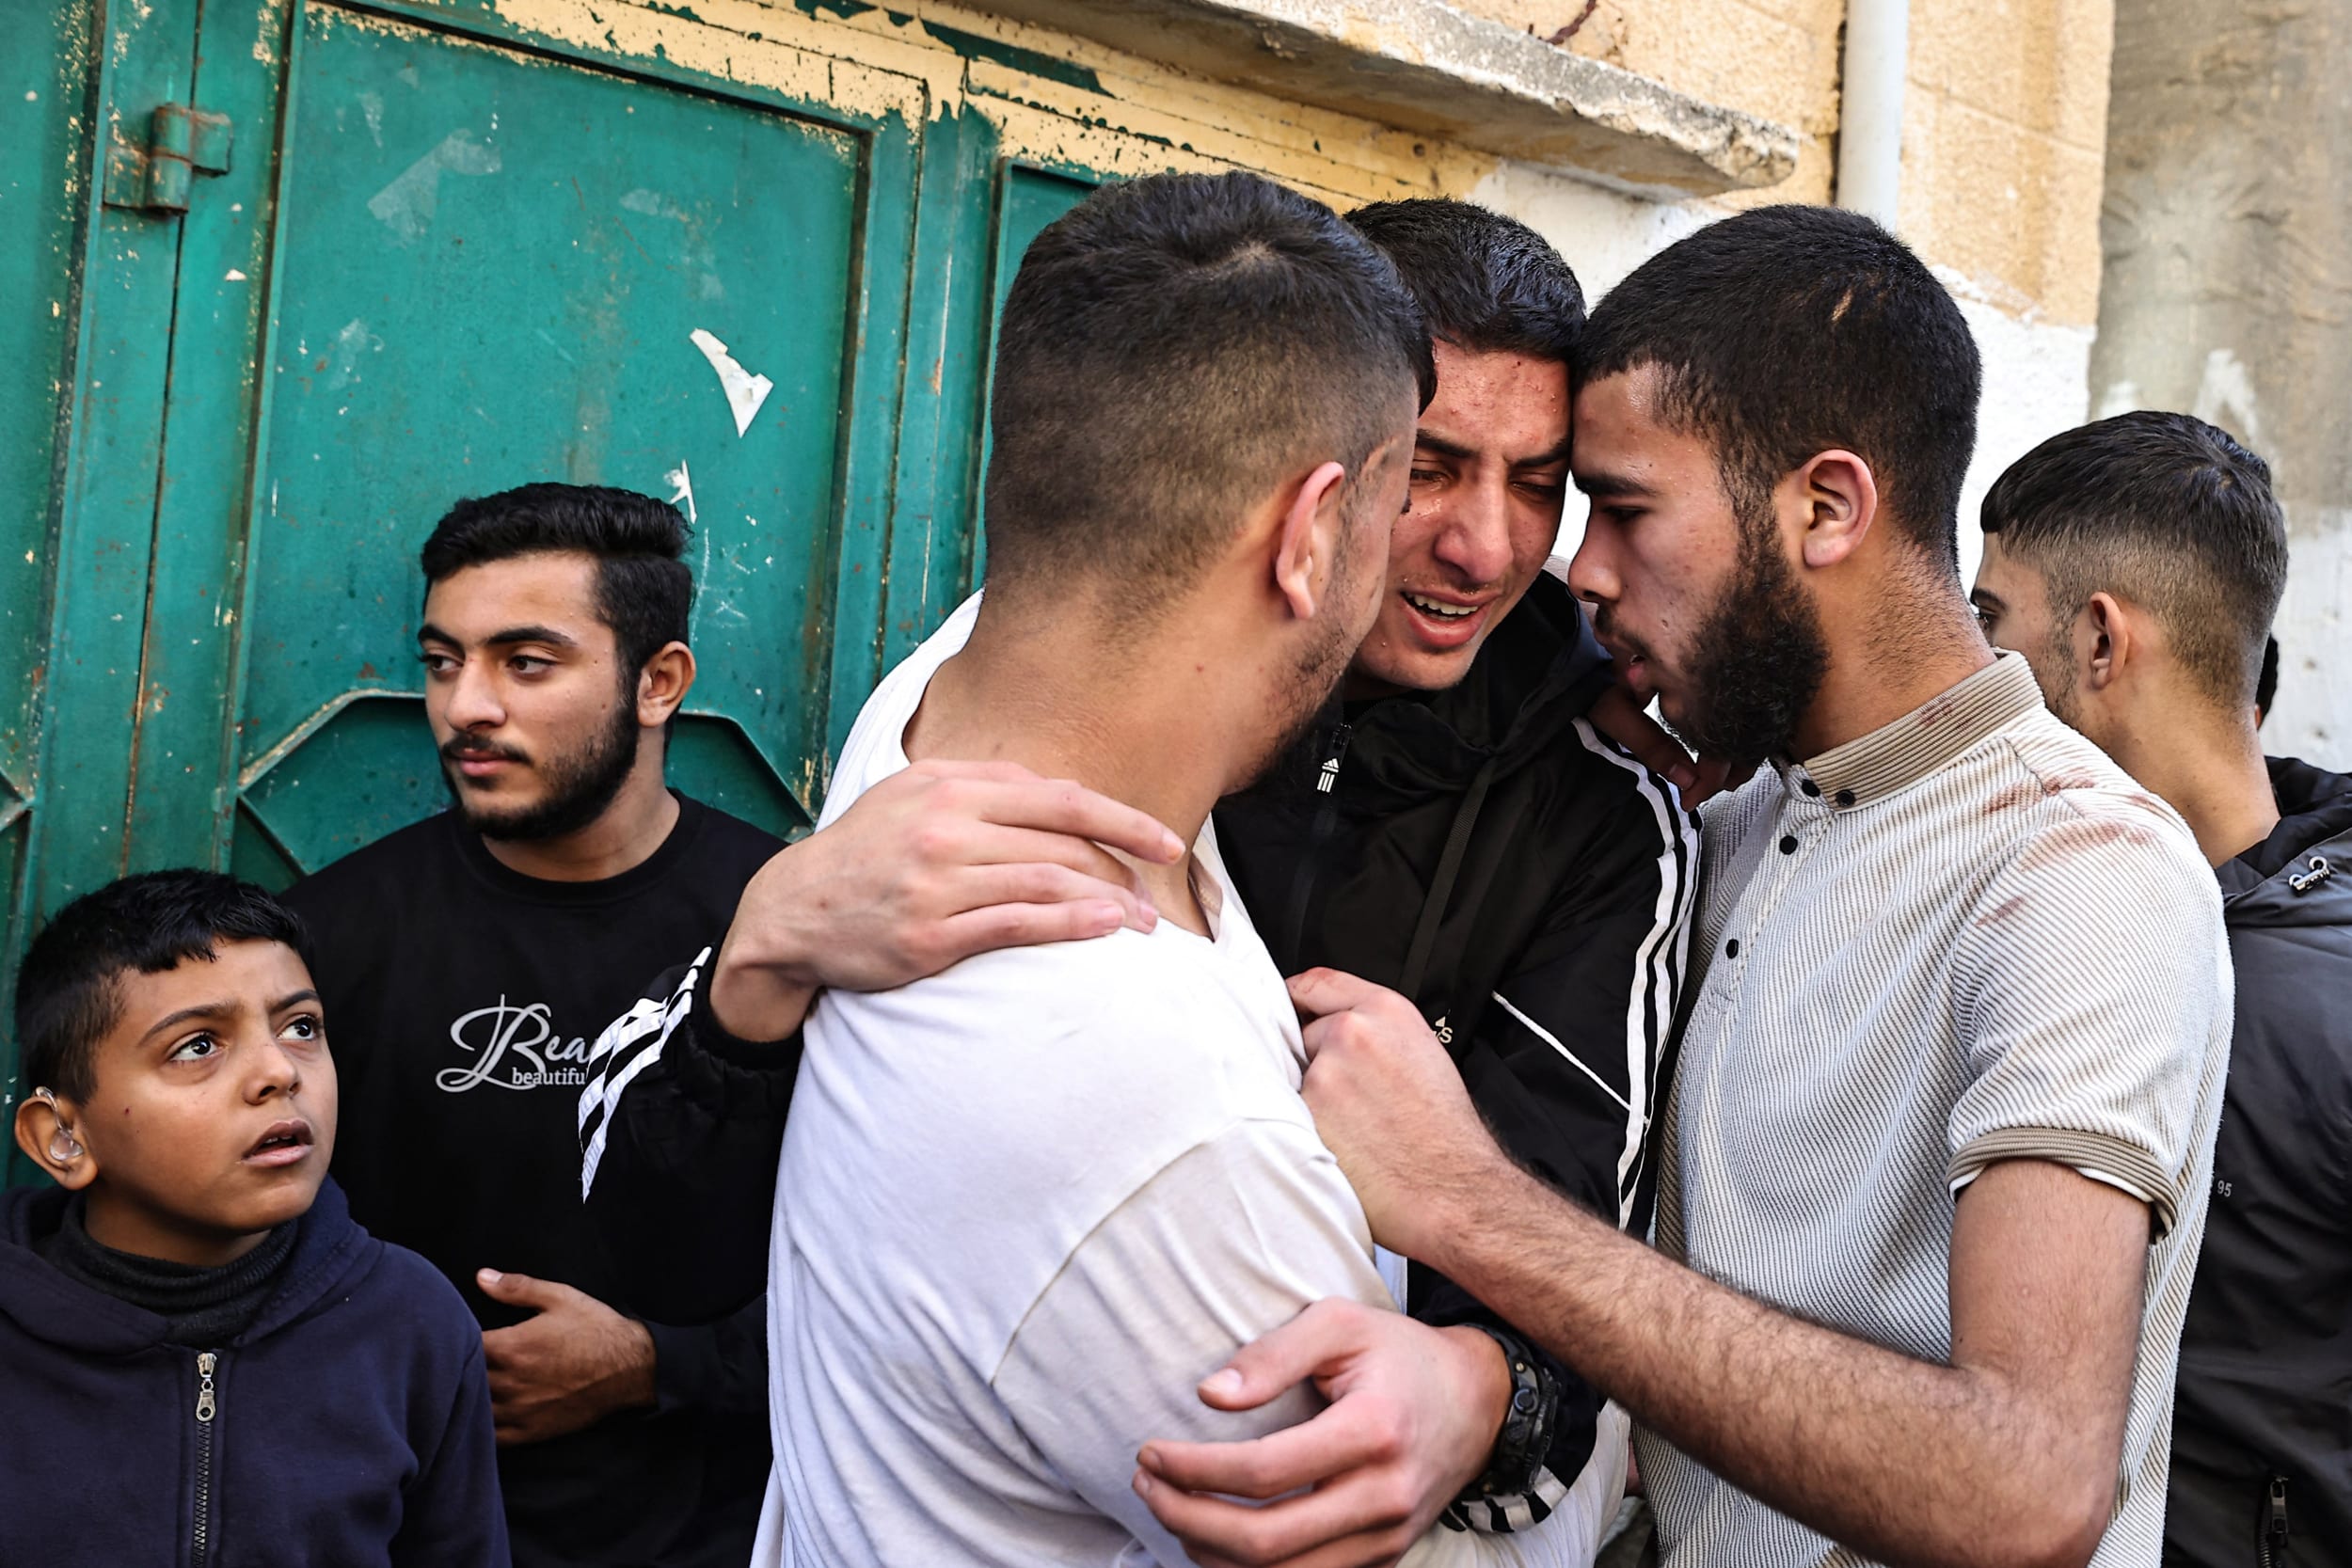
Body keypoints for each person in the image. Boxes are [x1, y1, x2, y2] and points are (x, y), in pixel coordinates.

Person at [580, 195, 1697, 1561]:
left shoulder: (1599, 811)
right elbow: (672, 1215)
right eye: (1427, 467)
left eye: (1539, 484)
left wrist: (1487, 1383)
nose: (1486, 546)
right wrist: (754, 959)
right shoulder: (1005, 692)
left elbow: (1568, 1248)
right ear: (1310, 517)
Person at [1136, 205, 2233, 1568]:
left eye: (1623, 507)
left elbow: (2026, 1488)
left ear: (1826, 507)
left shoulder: (2081, 871)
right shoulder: (1729, 813)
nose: (1575, 566)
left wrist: (1468, 1198)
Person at [281, 485, 774, 1568]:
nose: (466, 706)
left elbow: (906, 1272)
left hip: (718, 1530)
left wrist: (660, 1361)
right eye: (442, 660)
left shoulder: (779, 928)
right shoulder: (328, 937)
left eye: (527, 662)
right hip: (397, 1523)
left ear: (658, 681)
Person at [1970, 410, 2348, 1564]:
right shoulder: (2018, 904)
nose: (1969, 669)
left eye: (1990, 621)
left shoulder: (2322, 991)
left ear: (2098, 641)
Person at [1, 870, 506, 1567]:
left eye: (301, 1027)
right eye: (198, 1045)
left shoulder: (412, 1322)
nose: (279, 1071)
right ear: (65, 1137)